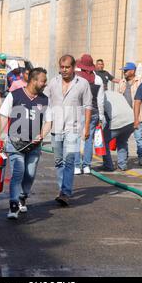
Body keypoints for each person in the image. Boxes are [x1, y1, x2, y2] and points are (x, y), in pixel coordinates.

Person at [0, 67, 52, 219]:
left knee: (29, 174)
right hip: (14, 143)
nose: (45, 84)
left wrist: (42, 135)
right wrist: (0, 137)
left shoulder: (44, 100)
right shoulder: (14, 95)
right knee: (18, 172)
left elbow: (49, 121)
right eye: (43, 81)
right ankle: (13, 204)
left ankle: (23, 196)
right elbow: (3, 116)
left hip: (34, 146)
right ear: (34, 81)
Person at [44, 55, 92, 207]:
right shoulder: (53, 82)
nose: (64, 70)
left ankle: (65, 193)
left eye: (67, 67)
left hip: (73, 128)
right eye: (62, 67)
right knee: (58, 161)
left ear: (73, 67)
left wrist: (86, 127)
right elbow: (44, 101)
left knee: (69, 160)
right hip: (56, 127)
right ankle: (61, 189)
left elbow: (88, 106)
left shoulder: (82, 83)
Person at [74, 54, 105, 175]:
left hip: (79, 110)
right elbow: (100, 100)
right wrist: (101, 116)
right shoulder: (98, 79)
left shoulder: (76, 78)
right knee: (89, 138)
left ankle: (77, 166)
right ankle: (86, 166)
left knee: (76, 138)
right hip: (93, 111)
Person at [115, 62, 142, 166]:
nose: (124, 72)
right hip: (125, 117)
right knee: (123, 138)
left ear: (132, 71)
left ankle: (141, 157)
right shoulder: (122, 82)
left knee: (139, 138)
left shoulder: (141, 82)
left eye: (126, 70)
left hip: (138, 115)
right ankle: (124, 157)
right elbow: (118, 98)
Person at [100, 90, 136, 171]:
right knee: (122, 142)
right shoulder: (117, 93)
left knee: (104, 142)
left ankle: (108, 165)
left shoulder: (101, 96)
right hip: (131, 120)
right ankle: (122, 165)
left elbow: (102, 114)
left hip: (117, 121)